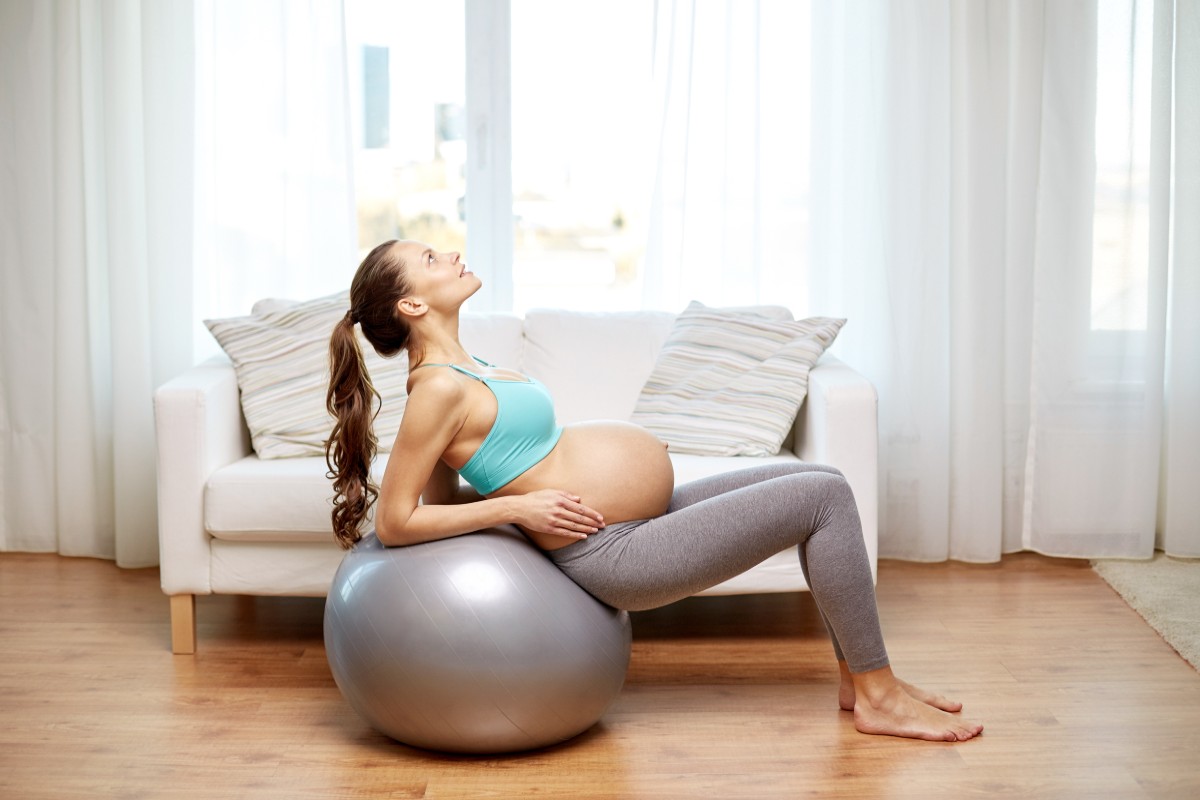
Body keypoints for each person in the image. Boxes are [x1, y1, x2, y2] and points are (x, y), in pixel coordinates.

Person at [325, 239, 983, 743]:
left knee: (827, 482)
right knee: (823, 503)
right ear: (412, 305)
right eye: (430, 259)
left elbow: (461, 483)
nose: (451, 254)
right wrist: (518, 508)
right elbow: (400, 519)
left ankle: (859, 679)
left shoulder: (467, 365)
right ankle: (878, 696)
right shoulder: (436, 388)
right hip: (612, 552)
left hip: (640, 517)